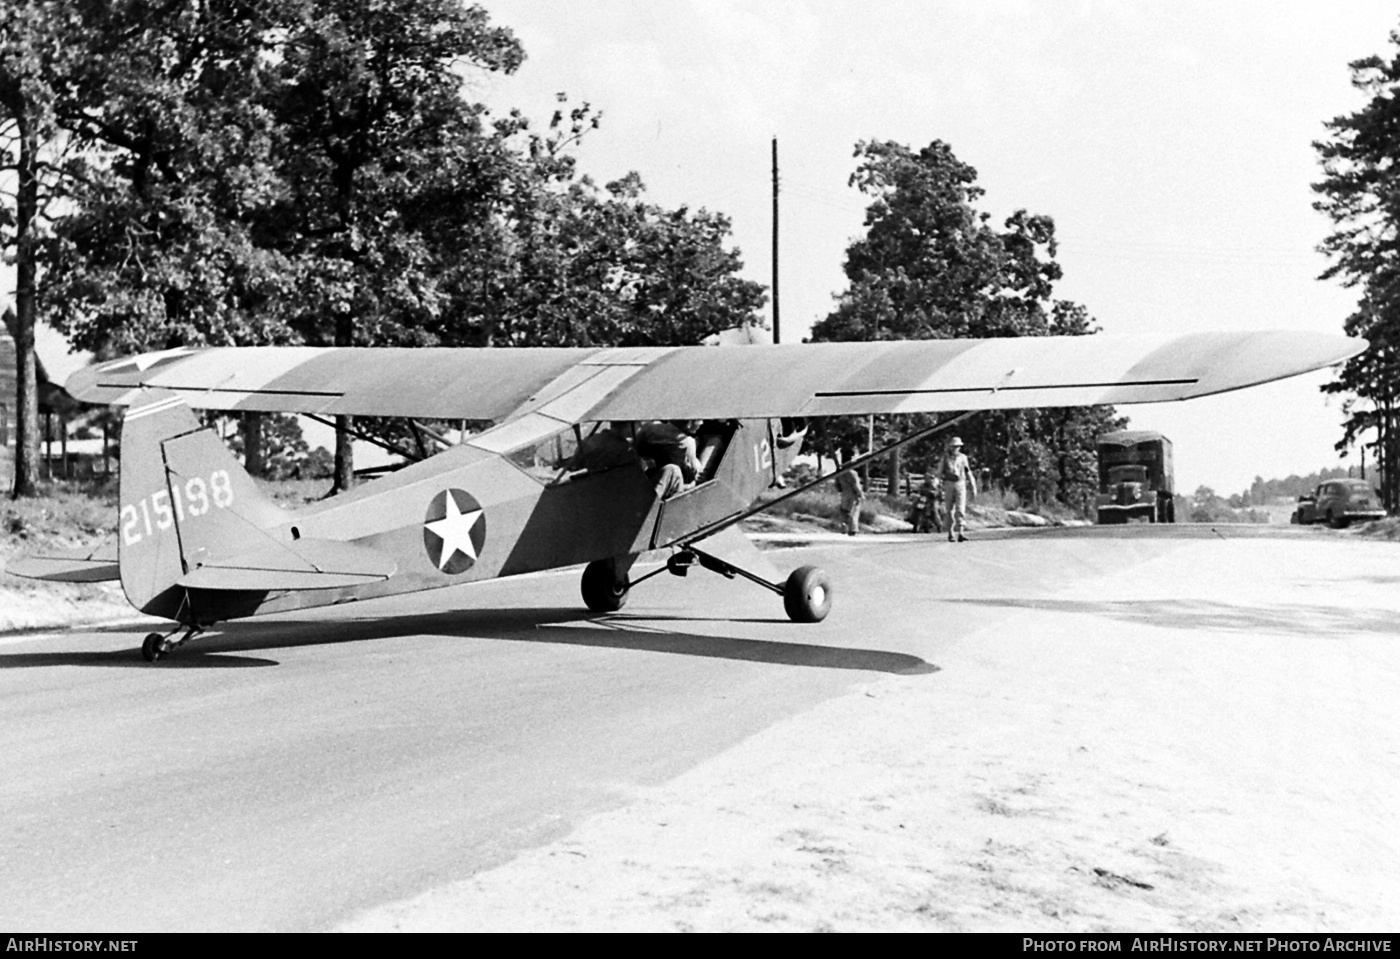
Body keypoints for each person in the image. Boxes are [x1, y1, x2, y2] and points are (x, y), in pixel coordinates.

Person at [937, 435, 977, 542]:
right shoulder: (945, 458)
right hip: (949, 483)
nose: (955, 448)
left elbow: (968, 471)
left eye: (957, 446)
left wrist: (973, 485)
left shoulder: (963, 458)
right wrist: (937, 484)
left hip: (960, 483)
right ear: (950, 447)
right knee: (949, 509)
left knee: (960, 508)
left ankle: (961, 532)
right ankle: (950, 533)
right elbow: (939, 472)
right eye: (954, 446)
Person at [834, 456, 864, 536]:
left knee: (844, 511)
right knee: (854, 511)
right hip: (852, 494)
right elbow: (856, 485)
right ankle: (852, 529)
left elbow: (836, 485)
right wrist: (860, 494)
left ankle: (843, 526)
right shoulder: (852, 473)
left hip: (844, 493)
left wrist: (840, 490)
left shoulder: (840, 473)